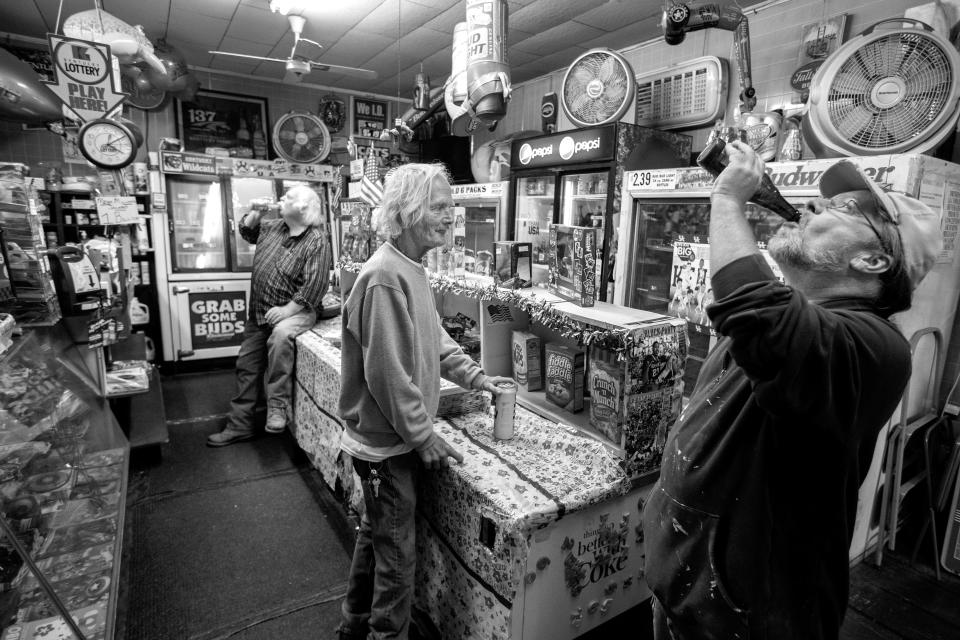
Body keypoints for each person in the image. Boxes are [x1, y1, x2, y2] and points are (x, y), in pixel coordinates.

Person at [642, 141, 942, 640]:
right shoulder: (798, 321)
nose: (815, 205)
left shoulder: (876, 347)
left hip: (752, 619)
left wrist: (727, 200)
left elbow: (757, 312)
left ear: (872, 261)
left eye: (847, 209)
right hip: (686, 593)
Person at [335, 163, 511, 640]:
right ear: (408, 211)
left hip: (390, 441)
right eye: (438, 207)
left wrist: (478, 379)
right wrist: (422, 435)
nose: (449, 216)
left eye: (450, 207)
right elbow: (387, 373)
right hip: (385, 448)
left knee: (377, 538)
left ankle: (353, 625)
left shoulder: (410, 268)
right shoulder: (385, 276)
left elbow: (434, 340)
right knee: (397, 556)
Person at [207, 185, 331, 447]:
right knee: (246, 366)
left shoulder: (316, 240)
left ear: (304, 208)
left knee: (281, 336)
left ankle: (277, 407)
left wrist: (286, 310)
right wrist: (254, 211)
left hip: (296, 310)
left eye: (289, 197)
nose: (282, 199)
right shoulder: (273, 226)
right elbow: (247, 231)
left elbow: (315, 285)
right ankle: (240, 426)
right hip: (260, 312)